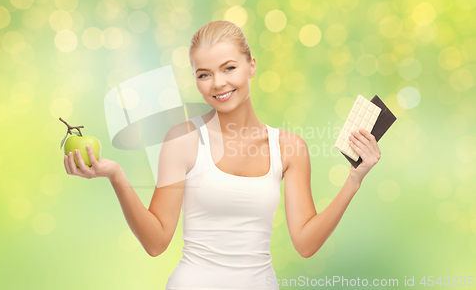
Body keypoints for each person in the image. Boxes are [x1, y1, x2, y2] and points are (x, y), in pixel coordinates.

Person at [63, 20, 381, 289]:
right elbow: (156, 241)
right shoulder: (183, 140)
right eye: (204, 74)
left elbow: (306, 243)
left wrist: (354, 180)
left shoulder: (289, 147)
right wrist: (116, 174)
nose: (218, 83)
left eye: (229, 68)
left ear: (251, 65)